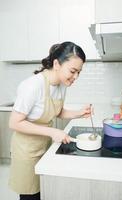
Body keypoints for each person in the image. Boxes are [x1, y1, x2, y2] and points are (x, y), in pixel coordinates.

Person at [8, 41, 91, 200]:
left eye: (79, 72)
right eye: (73, 71)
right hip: (26, 151)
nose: (76, 77)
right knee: (31, 195)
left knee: (45, 191)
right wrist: (52, 131)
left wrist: (79, 113)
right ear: (56, 64)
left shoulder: (61, 85)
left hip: (44, 146)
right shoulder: (33, 85)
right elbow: (14, 122)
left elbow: (57, 111)